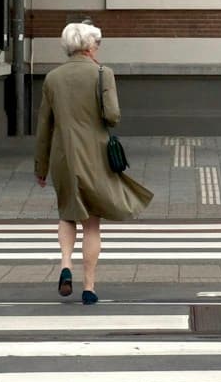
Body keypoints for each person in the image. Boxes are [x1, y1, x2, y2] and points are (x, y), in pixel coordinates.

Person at [34, 21, 154, 305]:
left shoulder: (52, 78)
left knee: (66, 214)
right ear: (89, 46)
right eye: (97, 43)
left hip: (63, 157)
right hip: (94, 155)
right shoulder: (103, 74)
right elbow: (112, 116)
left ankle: (65, 265)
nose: (98, 48)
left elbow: (44, 126)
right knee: (91, 222)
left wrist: (41, 167)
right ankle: (89, 287)